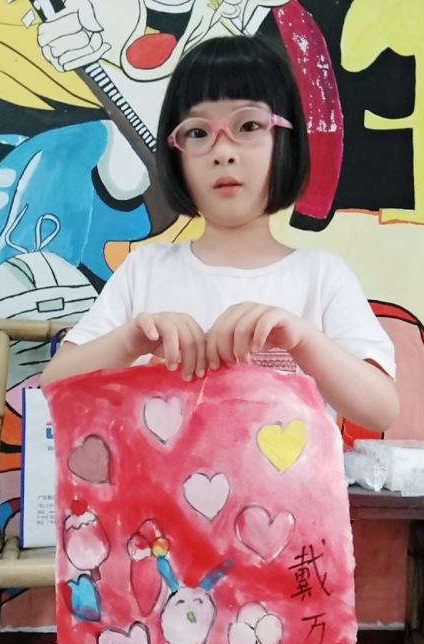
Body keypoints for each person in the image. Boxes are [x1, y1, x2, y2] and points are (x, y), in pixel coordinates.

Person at [41, 35, 399, 432]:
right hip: (155, 476)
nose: (223, 152)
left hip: (288, 474)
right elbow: (54, 386)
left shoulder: (321, 276)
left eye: (249, 125)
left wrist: (302, 340)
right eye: (197, 133)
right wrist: (130, 342)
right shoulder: (144, 269)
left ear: (286, 142)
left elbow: (381, 409)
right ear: (174, 154)